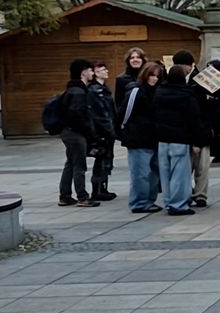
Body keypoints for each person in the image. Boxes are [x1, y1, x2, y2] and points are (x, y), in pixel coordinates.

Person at [153, 64, 209, 215]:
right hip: (180, 139)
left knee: (165, 174)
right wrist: (197, 141)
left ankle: (168, 201)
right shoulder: (187, 95)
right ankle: (178, 205)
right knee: (179, 174)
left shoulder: (158, 93)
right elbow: (194, 120)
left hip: (163, 139)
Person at [172, 50, 214, 209]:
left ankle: (200, 195)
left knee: (202, 167)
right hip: (184, 132)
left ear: (190, 66)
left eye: (183, 65)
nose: (180, 68)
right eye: (177, 65)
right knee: (186, 167)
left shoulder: (201, 81)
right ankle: (186, 193)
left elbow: (206, 110)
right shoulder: (175, 81)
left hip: (202, 129)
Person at [120, 61, 163, 213]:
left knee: (153, 173)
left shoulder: (157, 92)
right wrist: (124, 129)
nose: (154, 79)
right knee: (141, 173)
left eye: (157, 76)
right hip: (138, 138)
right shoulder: (136, 91)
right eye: (152, 75)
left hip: (152, 138)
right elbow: (125, 112)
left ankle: (148, 201)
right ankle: (139, 202)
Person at [58, 59, 99, 207]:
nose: (92, 73)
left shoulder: (72, 90)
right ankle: (82, 197)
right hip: (76, 133)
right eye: (90, 70)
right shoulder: (78, 92)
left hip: (68, 132)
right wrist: (90, 133)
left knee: (70, 163)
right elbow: (78, 116)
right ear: (83, 72)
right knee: (79, 165)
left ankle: (65, 196)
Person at [85, 61, 118, 202]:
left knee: (106, 160)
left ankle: (102, 188)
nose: (107, 72)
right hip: (101, 132)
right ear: (96, 72)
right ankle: (97, 190)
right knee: (102, 160)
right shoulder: (95, 91)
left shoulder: (103, 89)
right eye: (103, 69)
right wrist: (109, 131)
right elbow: (101, 114)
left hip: (106, 130)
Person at [114, 47, 146, 113]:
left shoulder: (147, 77)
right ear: (128, 60)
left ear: (143, 60)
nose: (135, 60)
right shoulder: (121, 79)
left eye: (138, 57)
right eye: (132, 58)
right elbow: (118, 102)